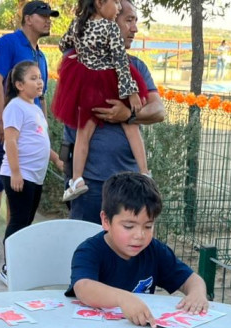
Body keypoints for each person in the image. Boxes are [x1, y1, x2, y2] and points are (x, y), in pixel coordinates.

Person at [64, 0, 166, 224]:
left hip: (126, 184)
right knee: (84, 241)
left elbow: (158, 111)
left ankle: (144, 173)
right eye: (128, 20)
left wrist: (127, 114)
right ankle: (76, 180)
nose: (135, 28)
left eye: (136, 21)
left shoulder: (137, 66)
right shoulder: (78, 58)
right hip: (91, 185)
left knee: (125, 247)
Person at [67, 172, 209, 326]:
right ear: (106, 221)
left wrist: (197, 293)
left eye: (148, 226)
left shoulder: (155, 251)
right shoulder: (89, 251)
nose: (140, 235)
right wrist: (123, 298)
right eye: (129, 226)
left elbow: (192, 279)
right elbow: (83, 287)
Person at [52, 0, 148, 203]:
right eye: (115, 3)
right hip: (108, 78)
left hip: (85, 83)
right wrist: (131, 92)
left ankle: (77, 180)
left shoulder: (78, 23)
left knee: (83, 132)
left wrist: (79, 56)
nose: (119, 8)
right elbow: (121, 61)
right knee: (131, 127)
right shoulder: (111, 27)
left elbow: (63, 45)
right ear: (99, 3)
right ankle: (144, 172)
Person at [0, 1, 56, 266]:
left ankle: (16, 251)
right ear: (27, 19)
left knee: (20, 196)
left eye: (50, 16)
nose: (49, 20)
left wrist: (43, 127)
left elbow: (42, 95)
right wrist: (2, 120)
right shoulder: (8, 43)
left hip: (30, 129)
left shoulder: (41, 56)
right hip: (3, 128)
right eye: (43, 16)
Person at [0, 61, 64, 275]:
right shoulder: (15, 107)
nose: (39, 82)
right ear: (19, 85)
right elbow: (10, 141)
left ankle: (20, 263)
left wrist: (55, 159)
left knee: (26, 220)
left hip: (35, 176)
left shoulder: (34, 107)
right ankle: (9, 266)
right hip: (20, 174)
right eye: (33, 78)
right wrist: (16, 173)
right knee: (18, 220)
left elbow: (40, 139)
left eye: (40, 77)